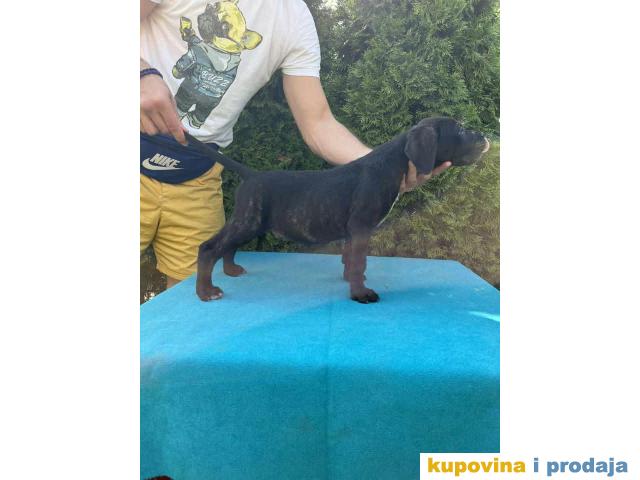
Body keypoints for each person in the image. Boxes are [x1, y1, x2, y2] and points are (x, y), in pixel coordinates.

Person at [140, 0, 451, 289]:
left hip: (197, 178)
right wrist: (140, 72)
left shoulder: (295, 18)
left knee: (190, 313)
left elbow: (319, 124)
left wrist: (384, 170)